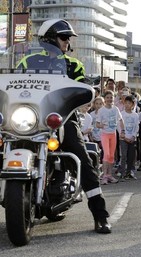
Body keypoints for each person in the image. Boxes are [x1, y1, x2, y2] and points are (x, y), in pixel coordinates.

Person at [17, 19, 112, 233]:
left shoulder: (73, 65)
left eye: (68, 38)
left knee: (83, 159)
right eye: (63, 37)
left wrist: (87, 90)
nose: (68, 42)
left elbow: (82, 88)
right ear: (50, 38)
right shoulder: (28, 61)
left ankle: (100, 215)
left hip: (62, 119)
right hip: (29, 119)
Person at [96, 90, 125, 185]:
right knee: (107, 154)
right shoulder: (101, 110)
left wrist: (122, 131)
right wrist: (102, 125)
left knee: (112, 155)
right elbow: (97, 124)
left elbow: (121, 120)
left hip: (113, 134)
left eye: (111, 97)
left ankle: (109, 175)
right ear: (104, 99)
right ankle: (104, 176)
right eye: (107, 97)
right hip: (105, 134)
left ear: (113, 98)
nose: (109, 99)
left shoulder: (115, 109)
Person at [118, 95, 139, 181]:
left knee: (131, 156)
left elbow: (136, 126)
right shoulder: (121, 114)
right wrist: (123, 136)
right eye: (125, 103)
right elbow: (118, 126)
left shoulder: (135, 115)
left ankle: (129, 172)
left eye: (129, 103)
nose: (127, 105)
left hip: (132, 138)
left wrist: (134, 136)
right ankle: (122, 172)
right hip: (123, 138)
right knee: (123, 155)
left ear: (133, 105)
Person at [90, 97, 105, 164]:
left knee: (102, 155)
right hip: (93, 137)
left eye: (100, 104)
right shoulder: (91, 114)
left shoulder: (104, 114)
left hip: (102, 137)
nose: (98, 105)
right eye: (97, 104)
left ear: (103, 104)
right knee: (94, 154)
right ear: (94, 104)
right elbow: (90, 126)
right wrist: (90, 137)